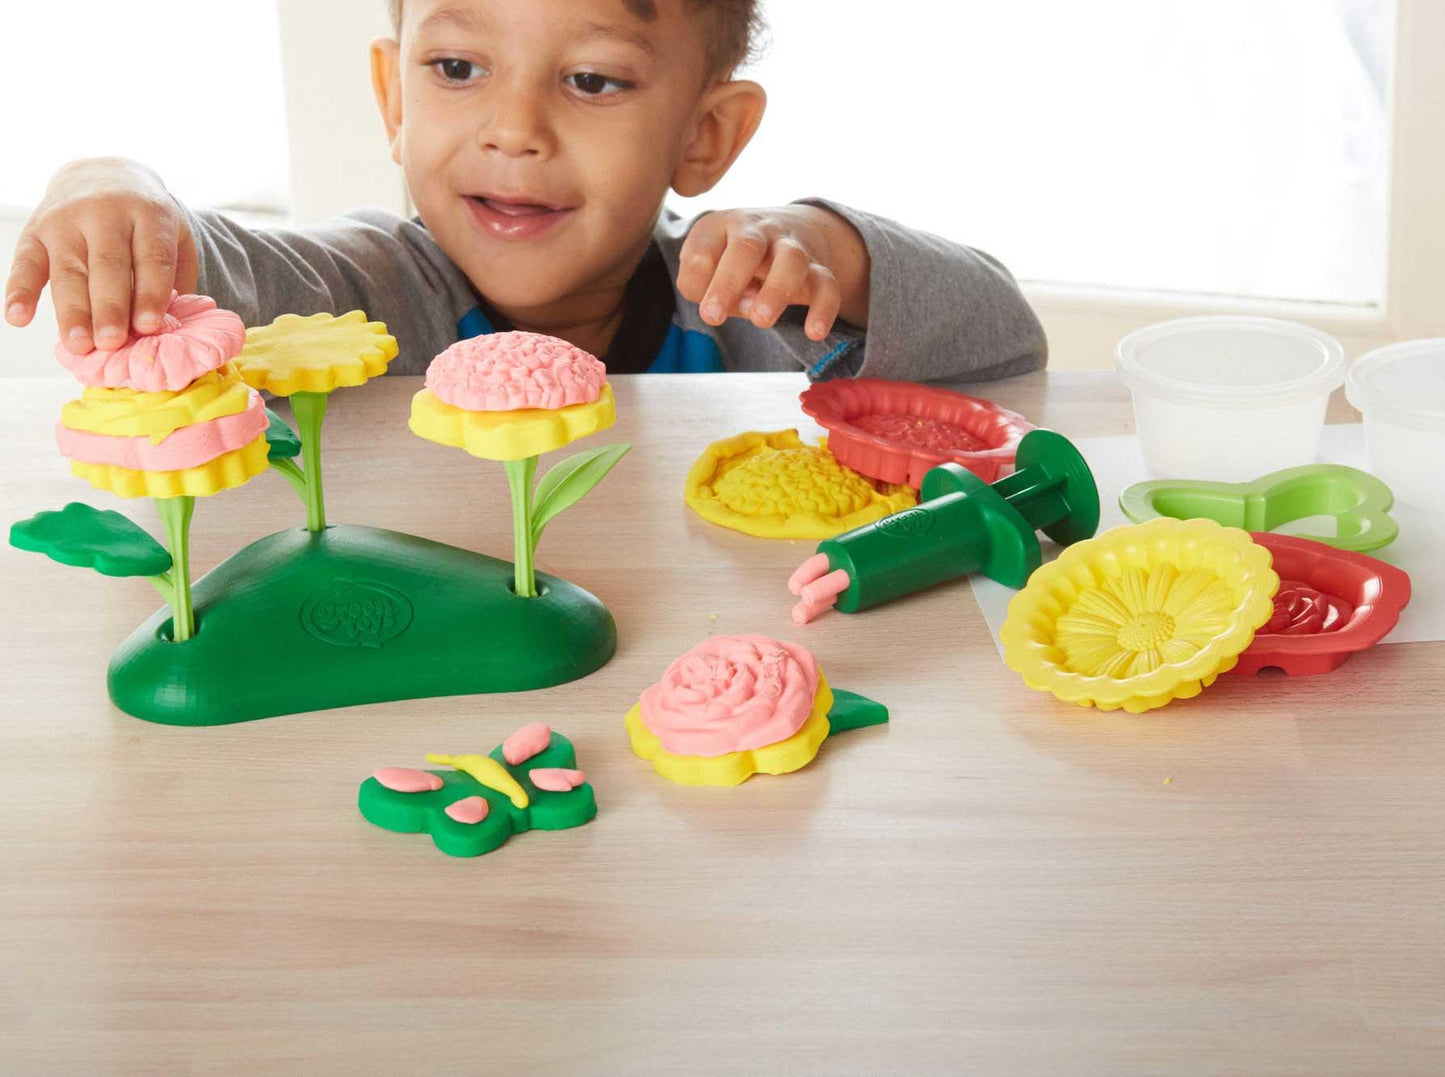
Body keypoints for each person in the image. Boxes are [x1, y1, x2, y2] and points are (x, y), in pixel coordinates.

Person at [4, 0, 1046, 383]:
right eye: (456, 69)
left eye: (590, 80)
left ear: (704, 134)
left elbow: (1002, 343)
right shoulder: (365, 288)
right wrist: (113, 187)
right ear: (391, 95)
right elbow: (232, 273)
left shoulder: (746, 307)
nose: (514, 129)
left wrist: (834, 250)